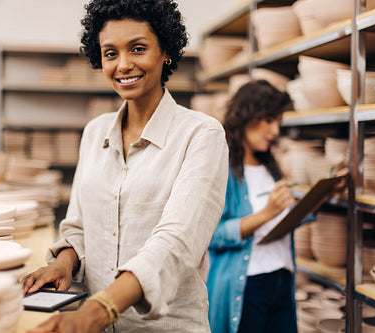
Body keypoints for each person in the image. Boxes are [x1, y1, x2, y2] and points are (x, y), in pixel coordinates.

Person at [22, 1, 229, 332]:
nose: (123, 65)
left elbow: (176, 242)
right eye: (110, 53)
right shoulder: (94, 133)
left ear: (166, 52)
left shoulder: (201, 135)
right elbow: (77, 225)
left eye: (138, 48)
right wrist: (62, 263)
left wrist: (99, 309)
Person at [206, 80, 346, 333]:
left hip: (281, 279)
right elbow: (210, 235)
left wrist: (324, 194)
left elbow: (282, 222)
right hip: (247, 286)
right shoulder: (220, 168)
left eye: (278, 121)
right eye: (269, 120)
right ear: (246, 116)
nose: (275, 129)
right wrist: (265, 213)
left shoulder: (270, 167)